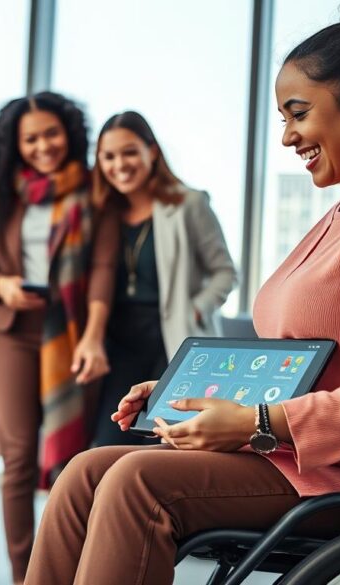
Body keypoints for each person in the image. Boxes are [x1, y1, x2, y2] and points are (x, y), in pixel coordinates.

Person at [25, 0, 340, 583]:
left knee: (135, 483)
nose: (289, 136)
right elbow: (303, 359)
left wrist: (255, 422)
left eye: (299, 114)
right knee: (84, 473)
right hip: (299, 459)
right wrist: (178, 394)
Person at [0, 91, 119, 584]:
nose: (43, 146)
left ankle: (67, 570)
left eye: (51, 134)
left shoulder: (93, 189)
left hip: (71, 333)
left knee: (70, 462)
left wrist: (93, 337)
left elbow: (102, 268)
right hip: (10, 333)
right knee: (15, 459)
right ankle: (24, 575)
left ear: (70, 132)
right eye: (30, 139)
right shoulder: (3, 193)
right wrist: (3, 285)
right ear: (16, 143)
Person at [89, 111, 237, 448]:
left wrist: (197, 309)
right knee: (106, 444)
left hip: (170, 337)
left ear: (151, 152)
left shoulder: (189, 203)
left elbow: (225, 271)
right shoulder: (103, 213)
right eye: (108, 156)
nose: (120, 165)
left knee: (163, 443)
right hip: (119, 346)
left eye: (129, 152)